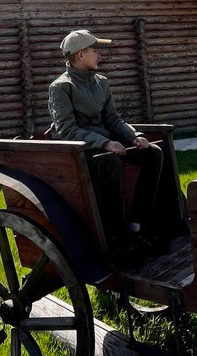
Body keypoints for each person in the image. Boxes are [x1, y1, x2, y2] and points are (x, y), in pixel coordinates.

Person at [47, 28, 164, 267]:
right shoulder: (61, 87)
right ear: (80, 54)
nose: (98, 54)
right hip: (81, 152)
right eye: (94, 50)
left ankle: (138, 226)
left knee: (153, 154)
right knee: (109, 161)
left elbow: (113, 119)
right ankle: (117, 238)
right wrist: (104, 143)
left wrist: (134, 136)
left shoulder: (101, 82)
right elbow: (66, 130)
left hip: (108, 145)